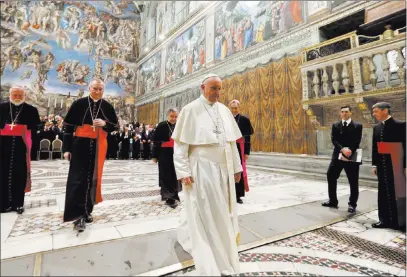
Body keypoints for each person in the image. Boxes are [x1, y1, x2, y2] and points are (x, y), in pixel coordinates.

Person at [172, 74, 243, 276]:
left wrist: (237, 168)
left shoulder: (224, 110)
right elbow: (180, 146)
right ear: (203, 87)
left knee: (222, 209)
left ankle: (222, 244)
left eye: (220, 89)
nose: (217, 93)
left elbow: (231, 143)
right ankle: (209, 248)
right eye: (213, 88)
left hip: (224, 169)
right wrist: (184, 171)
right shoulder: (190, 110)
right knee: (204, 209)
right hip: (201, 168)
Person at [63, 79, 119, 232]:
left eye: (101, 89)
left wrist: (105, 124)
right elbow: (67, 127)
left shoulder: (107, 106)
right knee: (78, 179)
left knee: (92, 178)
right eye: (95, 88)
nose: (98, 91)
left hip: (98, 146)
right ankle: (77, 215)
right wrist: (66, 149)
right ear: (89, 88)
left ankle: (87, 211)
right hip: (79, 145)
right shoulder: (79, 104)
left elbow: (116, 126)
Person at [0, 86, 41, 214]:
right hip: (2, 148)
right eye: (15, 95)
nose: (17, 97)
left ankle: (18, 204)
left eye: (20, 95)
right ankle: (3, 204)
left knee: (20, 176)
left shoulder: (31, 110)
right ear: (9, 94)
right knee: (2, 175)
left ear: (24, 96)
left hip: (21, 149)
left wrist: (33, 151)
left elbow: (35, 130)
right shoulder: (1, 107)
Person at [371, 102, 406, 231]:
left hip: (397, 164)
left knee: (399, 193)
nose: (374, 114)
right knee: (383, 193)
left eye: (376, 111)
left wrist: (406, 165)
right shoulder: (376, 127)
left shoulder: (401, 125)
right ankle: (384, 220)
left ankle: (401, 222)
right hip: (382, 165)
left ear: (385, 110)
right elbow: (375, 148)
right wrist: (374, 164)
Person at [322, 105, 363, 213]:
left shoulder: (358, 126)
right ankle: (333, 201)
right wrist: (342, 149)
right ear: (340, 113)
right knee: (330, 176)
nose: (344, 113)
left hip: (353, 154)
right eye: (342, 112)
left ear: (350, 113)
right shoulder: (335, 125)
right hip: (337, 155)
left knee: (353, 181)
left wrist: (349, 150)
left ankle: (352, 204)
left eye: (346, 112)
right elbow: (334, 140)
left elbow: (357, 140)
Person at [152, 108, 181, 208]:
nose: (174, 118)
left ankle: (174, 195)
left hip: (175, 154)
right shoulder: (162, 125)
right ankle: (168, 196)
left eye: (175, 116)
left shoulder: (178, 125)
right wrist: (154, 156)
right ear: (167, 116)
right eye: (172, 116)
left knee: (174, 175)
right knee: (166, 175)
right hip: (164, 154)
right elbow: (155, 142)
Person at [229, 99, 254, 204]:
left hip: (240, 147)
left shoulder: (244, 119)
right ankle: (230, 193)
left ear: (239, 108)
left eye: (236, 108)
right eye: (232, 108)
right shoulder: (226, 119)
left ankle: (238, 195)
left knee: (239, 170)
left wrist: (247, 152)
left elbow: (247, 137)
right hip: (229, 147)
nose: (234, 110)